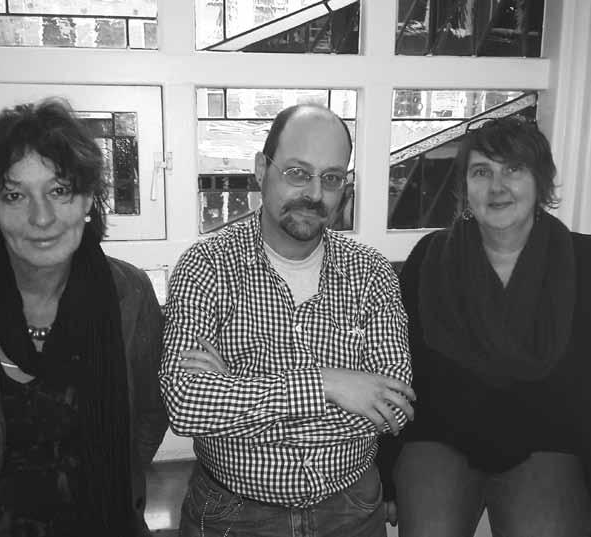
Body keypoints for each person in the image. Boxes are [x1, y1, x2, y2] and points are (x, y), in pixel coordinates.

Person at [0, 98, 168, 537]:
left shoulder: (129, 293)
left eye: (59, 190)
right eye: (14, 195)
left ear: (87, 199)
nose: (41, 217)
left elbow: (148, 417)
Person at [161, 104, 415, 537]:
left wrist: (234, 392)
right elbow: (186, 405)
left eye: (331, 178)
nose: (315, 194)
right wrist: (328, 384)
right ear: (262, 169)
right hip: (232, 513)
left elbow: (392, 408)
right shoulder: (206, 265)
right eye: (298, 172)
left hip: (350, 509)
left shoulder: (371, 272)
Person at [379, 117, 591, 537]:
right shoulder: (430, 257)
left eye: (514, 169)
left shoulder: (589, 261)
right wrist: (385, 474)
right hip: (440, 438)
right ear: (464, 186)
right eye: (481, 171)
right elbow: (398, 371)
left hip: (549, 443)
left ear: (540, 180)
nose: (497, 186)